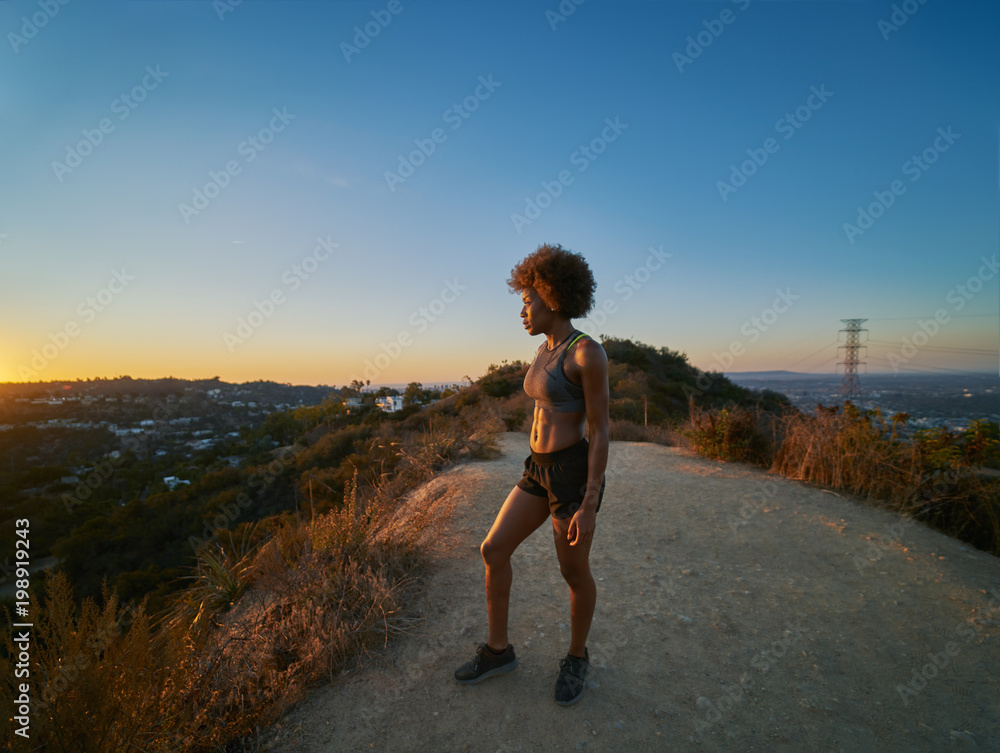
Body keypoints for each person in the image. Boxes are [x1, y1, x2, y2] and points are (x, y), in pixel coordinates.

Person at [454, 243, 609, 706]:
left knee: (572, 571)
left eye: (527, 300)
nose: (523, 310)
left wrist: (589, 502)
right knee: (494, 548)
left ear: (551, 295)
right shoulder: (543, 351)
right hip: (537, 470)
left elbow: (601, 432)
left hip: (571, 476)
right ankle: (499, 651)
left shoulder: (587, 354)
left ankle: (577, 657)